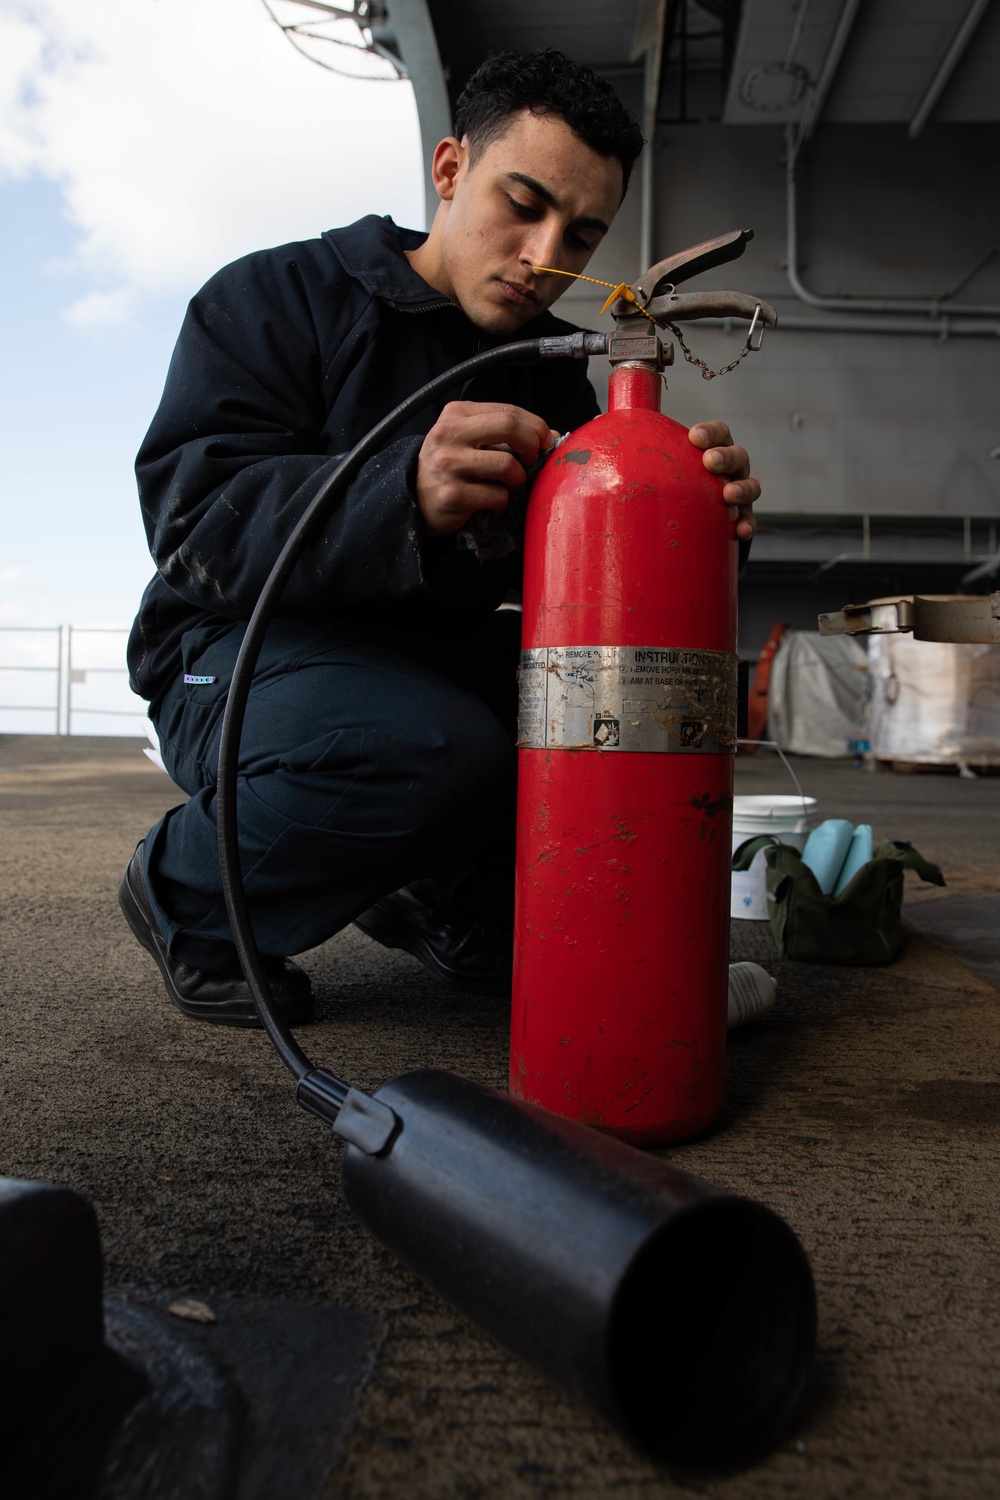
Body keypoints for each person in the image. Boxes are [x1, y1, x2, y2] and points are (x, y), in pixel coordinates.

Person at [118, 49, 761, 1028]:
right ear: (451, 168)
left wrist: (688, 523)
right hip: (229, 651)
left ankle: (443, 899)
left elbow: (581, 591)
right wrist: (398, 490)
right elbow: (192, 519)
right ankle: (186, 893)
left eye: (582, 234)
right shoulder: (278, 296)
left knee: (596, 716)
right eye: (523, 202)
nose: (546, 254)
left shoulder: (547, 379)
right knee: (425, 752)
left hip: (418, 670)